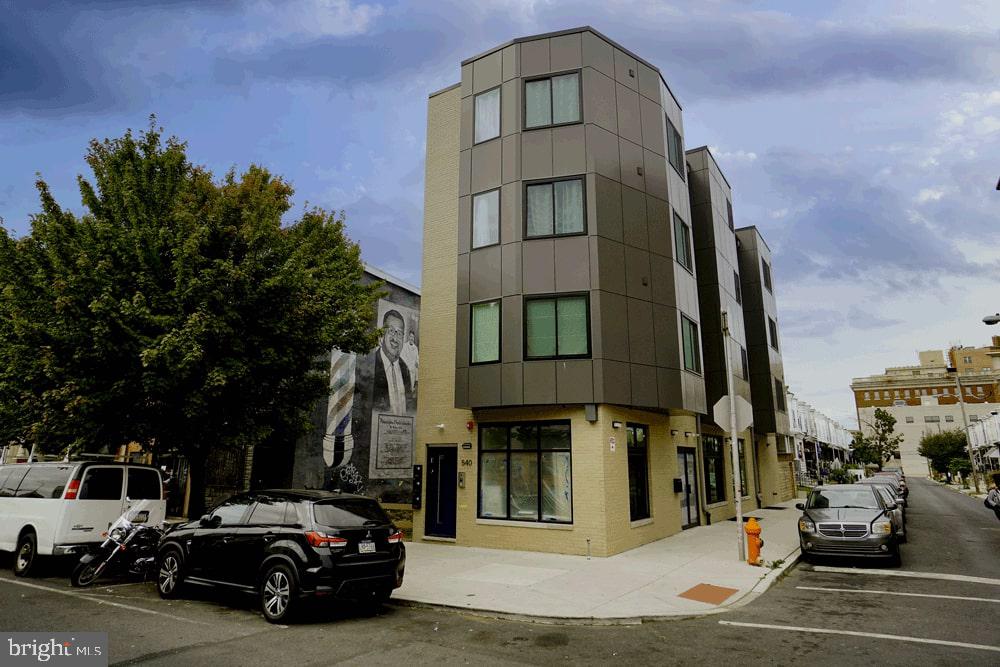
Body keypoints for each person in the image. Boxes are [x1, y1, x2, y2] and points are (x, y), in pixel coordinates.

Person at [372, 309, 414, 416]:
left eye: (399, 333)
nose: (395, 339)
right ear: (381, 335)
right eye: (391, 331)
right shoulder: (371, 366)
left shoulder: (406, 371)